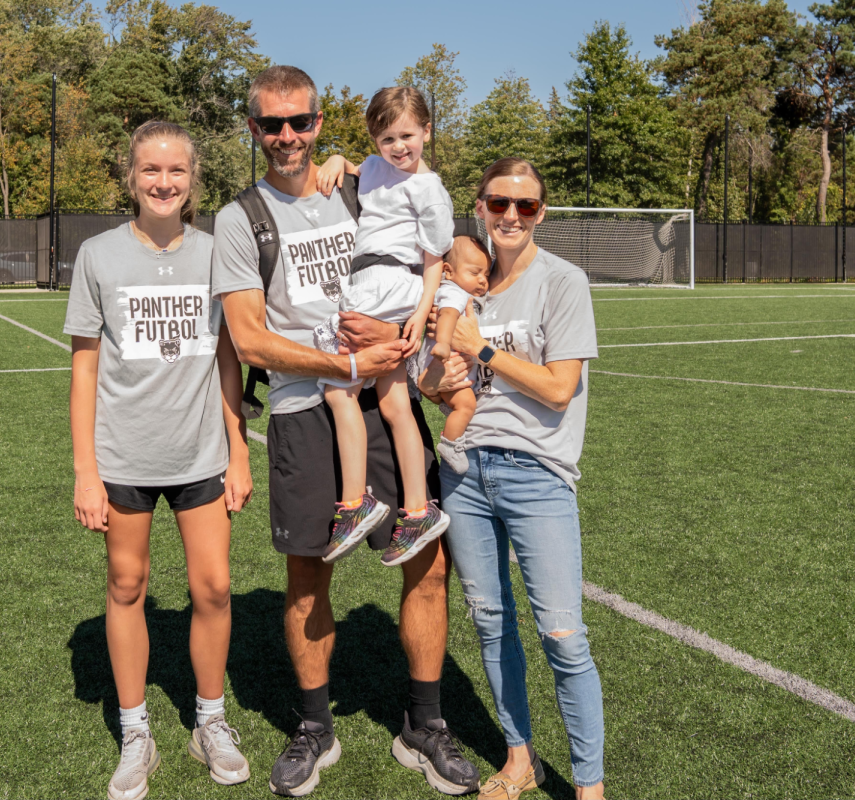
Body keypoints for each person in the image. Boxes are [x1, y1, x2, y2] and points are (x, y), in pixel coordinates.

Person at [212, 65, 480, 797]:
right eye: (273, 125)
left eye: (300, 122)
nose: (288, 136)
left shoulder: (360, 183)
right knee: (308, 573)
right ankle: (314, 726)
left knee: (428, 559)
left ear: (321, 123)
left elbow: (428, 237)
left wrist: (399, 333)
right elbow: (249, 339)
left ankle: (424, 723)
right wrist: (343, 358)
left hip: (382, 393)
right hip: (307, 408)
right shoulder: (242, 220)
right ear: (254, 130)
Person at [65, 120, 253, 800]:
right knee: (126, 588)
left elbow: (230, 359)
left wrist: (239, 451)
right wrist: (87, 470)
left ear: (192, 180)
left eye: (176, 171)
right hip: (124, 460)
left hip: (201, 453)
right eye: (151, 170)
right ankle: (136, 730)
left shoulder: (215, 253)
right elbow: (84, 370)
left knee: (214, 590)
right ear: (131, 177)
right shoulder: (99, 256)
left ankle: (210, 720)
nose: (164, 182)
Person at [420, 158, 606, 800]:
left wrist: (485, 351)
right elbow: (428, 379)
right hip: (466, 473)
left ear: (541, 214)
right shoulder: (461, 283)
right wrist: (438, 380)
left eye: (525, 207)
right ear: (481, 206)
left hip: (538, 475)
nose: (511, 216)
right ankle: (519, 760)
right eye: (500, 203)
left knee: (563, 634)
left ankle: (589, 787)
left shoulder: (563, 280)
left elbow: (560, 388)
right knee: (491, 621)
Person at [311, 87, 453, 567]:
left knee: (337, 388)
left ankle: (355, 503)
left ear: (427, 132)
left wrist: (421, 310)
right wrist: (335, 158)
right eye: (387, 137)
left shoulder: (429, 189)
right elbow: (353, 168)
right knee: (395, 406)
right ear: (374, 138)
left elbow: (435, 258)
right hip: (373, 280)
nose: (399, 147)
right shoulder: (372, 167)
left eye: (408, 135)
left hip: (391, 285)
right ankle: (416, 510)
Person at [423, 235, 490, 474]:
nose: (483, 280)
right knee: (466, 405)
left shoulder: (454, 290)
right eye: (475, 273)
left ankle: (451, 417)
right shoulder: (455, 294)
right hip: (444, 362)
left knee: (461, 403)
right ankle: (451, 444)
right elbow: (448, 315)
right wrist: (442, 343)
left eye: (486, 275)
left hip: (446, 367)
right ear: (448, 272)